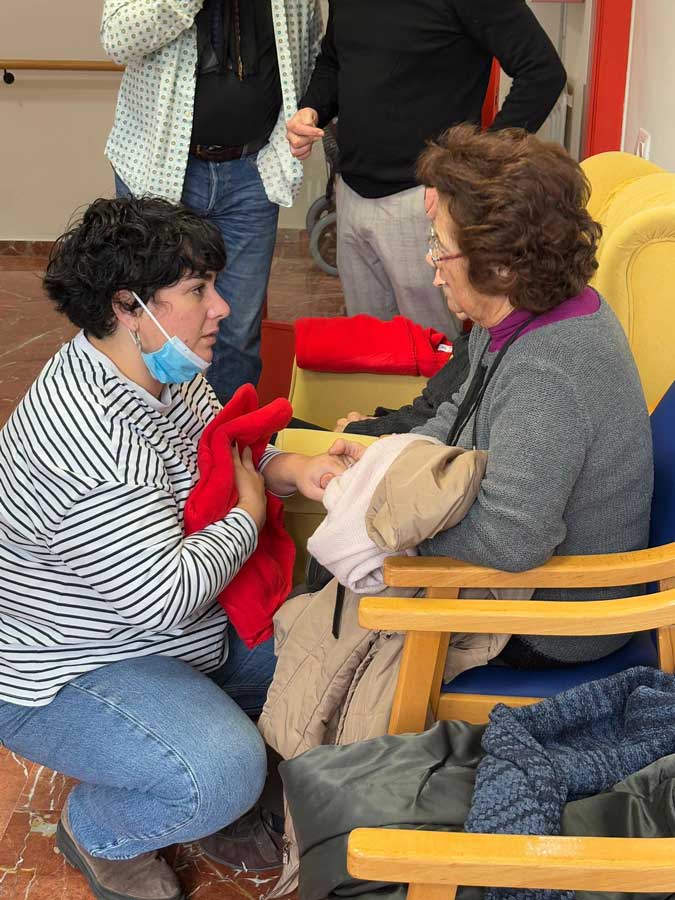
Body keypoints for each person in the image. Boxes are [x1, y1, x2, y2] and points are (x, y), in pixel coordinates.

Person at [0, 197, 361, 900]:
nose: (222, 307)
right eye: (198, 290)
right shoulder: (88, 441)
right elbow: (167, 598)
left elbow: (223, 456)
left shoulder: (161, 372)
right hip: (71, 670)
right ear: (130, 307)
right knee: (218, 771)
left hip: (156, 632)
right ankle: (97, 827)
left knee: (324, 647)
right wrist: (250, 514)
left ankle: (201, 782)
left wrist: (292, 469)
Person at [336, 124, 654, 668]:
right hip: (521, 580)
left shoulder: (547, 371)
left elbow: (511, 542)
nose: (434, 272)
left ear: (501, 264)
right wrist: (384, 458)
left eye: (441, 250)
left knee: (344, 589)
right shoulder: (516, 309)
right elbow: (458, 416)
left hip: (556, 620)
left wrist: (393, 534)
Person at [286, 0, 567, 338]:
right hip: (352, 195)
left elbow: (542, 72)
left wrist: (473, 170)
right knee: (368, 359)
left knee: (433, 362)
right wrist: (312, 108)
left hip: (427, 202)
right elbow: (333, 59)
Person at [102, 0, 323, 403]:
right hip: (159, 168)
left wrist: (301, 118)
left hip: (252, 172)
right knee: (150, 320)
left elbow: (305, 50)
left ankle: (226, 448)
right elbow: (117, 39)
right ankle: (150, 441)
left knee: (236, 331)